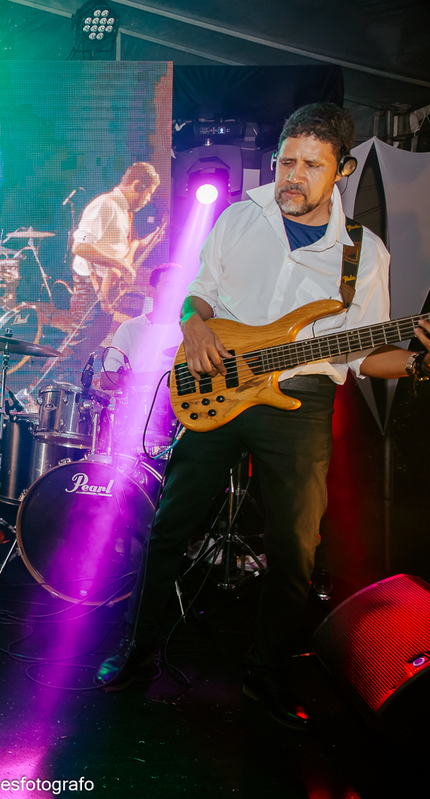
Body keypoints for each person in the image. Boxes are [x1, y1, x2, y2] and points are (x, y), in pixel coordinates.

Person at [96, 104, 430, 730]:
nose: (293, 177)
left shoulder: (365, 253)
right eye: (287, 161)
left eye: (311, 166)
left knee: (296, 553)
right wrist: (195, 324)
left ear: (343, 170)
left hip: (301, 405)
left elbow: (363, 355)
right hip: (218, 386)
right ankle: (138, 651)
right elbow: (200, 292)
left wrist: (415, 361)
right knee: (169, 527)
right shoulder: (239, 217)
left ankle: (266, 674)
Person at [63, 162, 163, 381]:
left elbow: (120, 249)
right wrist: (120, 265)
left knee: (91, 343)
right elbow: (80, 246)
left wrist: (147, 242)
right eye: (148, 193)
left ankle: (72, 388)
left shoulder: (123, 211)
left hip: (106, 288)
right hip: (90, 287)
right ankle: (42, 390)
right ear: (137, 185)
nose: (147, 200)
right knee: (76, 345)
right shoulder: (105, 205)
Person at [99, 265, 186, 452]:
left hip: (180, 421)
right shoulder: (130, 328)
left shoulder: (189, 330)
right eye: (169, 285)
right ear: (151, 291)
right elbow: (106, 380)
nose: (176, 292)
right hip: (133, 424)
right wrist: (151, 378)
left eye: (181, 286)